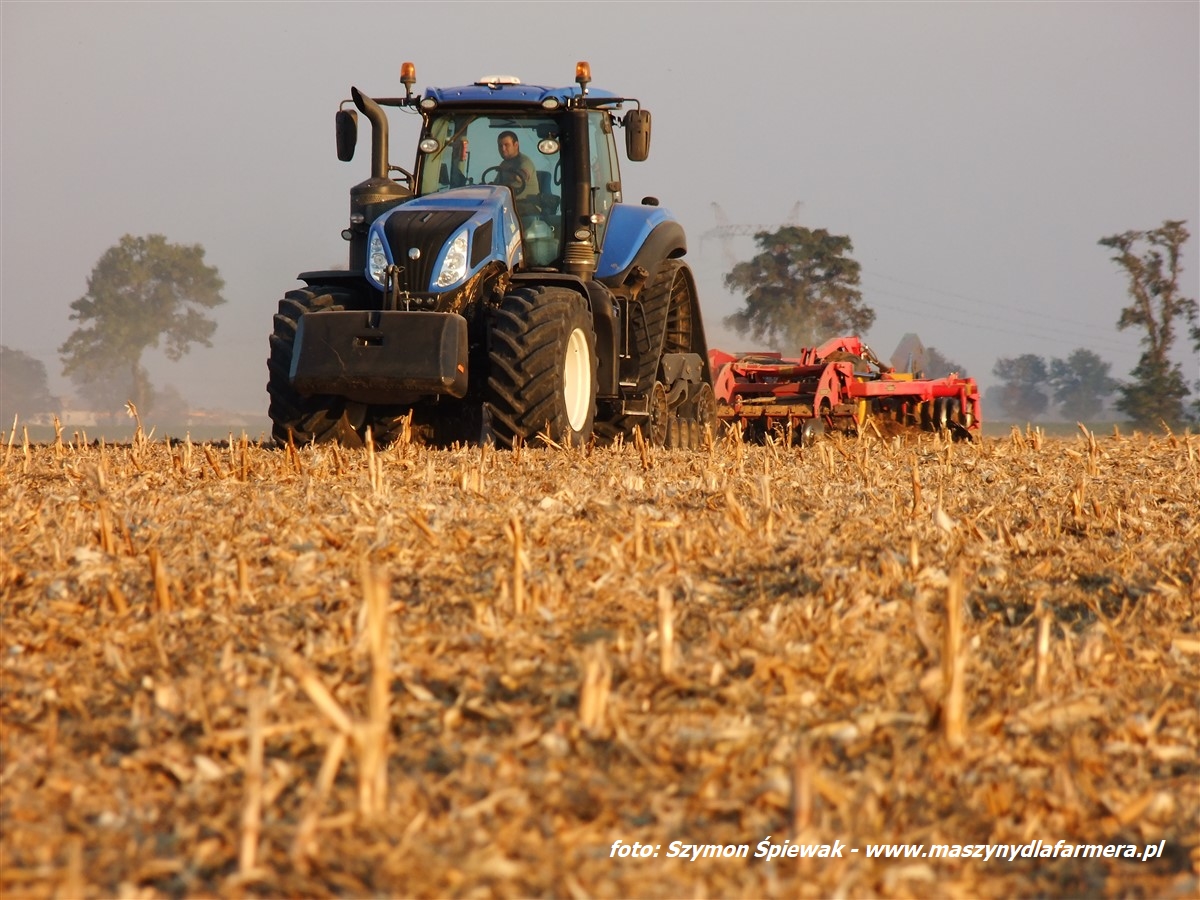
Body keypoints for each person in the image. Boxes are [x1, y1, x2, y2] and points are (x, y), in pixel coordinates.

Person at [496, 131, 539, 205]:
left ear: (516, 145)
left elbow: (521, 177)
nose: (503, 149)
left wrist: (508, 170)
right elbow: (497, 185)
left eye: (507, 145)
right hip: (509, 205)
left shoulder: (524, 162)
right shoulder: (504, 163)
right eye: (500, 146)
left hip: (527, 207)